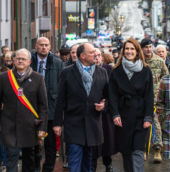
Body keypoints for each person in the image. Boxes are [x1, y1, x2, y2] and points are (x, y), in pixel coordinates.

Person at [53, 43, 108, 172]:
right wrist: (57, 124)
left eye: (95, 52)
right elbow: (60, 99)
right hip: (74, 124)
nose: (96, 54)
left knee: (89, 163)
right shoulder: (67, 72)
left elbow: (108, 97)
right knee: (74, 161)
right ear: (82, 56)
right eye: (92, 52)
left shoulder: (102, 72)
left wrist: (104, 106)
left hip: (93, 124)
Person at [109, 38, 153, 172]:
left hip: (140, 116)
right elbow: (112, 95)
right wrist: (115, 113)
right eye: (127, 49)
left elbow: (149, 95)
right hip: (123, 116)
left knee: (138, 151)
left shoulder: (145, 70)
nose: (129, 51)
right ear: (123, 51)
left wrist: (148, 117)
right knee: (126, 151)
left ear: (137, 51)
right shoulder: (116, 71)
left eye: (132, 49)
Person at [0, 48, 48, 172]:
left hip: (30, 127)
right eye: (18, 58)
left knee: (29, 160)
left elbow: (43, 105)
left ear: (29, 61)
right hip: (10, 126)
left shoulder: (38, 78)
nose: (20, 61)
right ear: (14, 60)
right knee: (11, 159)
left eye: (23, 59)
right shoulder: (4, 78)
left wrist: (42, 128)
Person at [31, 37, 64, 172]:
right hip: (32, 110)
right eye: (41, 45)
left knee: (50, 146)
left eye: (46, 45)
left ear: (50, 47)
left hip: (51, 110)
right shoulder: (29, 61)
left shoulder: (57, 63)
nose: (44, 47)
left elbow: (62, 88)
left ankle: (48, 169)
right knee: (32, 145)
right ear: (36, 46)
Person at [141, 38, 168, 163]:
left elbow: (166, 76)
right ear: (142, 49)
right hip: (141, 98)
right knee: (142, 124)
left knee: (156, 124)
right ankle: (143, 149)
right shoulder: (138, 61)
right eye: (146, 47)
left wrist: (161, 90)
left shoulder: (159, 61)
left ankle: (157, 149)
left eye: (150, 46)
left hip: (156, 99)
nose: (148, 49)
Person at [93, 48, 116, 172]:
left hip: (106, 110)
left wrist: (106, 102)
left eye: (98, 55)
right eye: (94, 55)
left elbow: (113, 90)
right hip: (93, 109)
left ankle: (108, 163)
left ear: (102, 57)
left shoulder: (108, 69)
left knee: (106, 138)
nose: (96, 58)